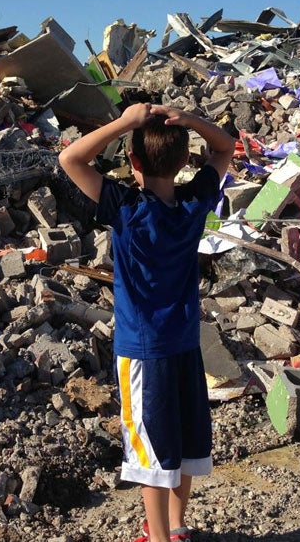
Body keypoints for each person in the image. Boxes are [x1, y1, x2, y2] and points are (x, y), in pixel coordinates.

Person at [58, 103, 235, 542]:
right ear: (183, 162)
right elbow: (225, 147)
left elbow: (69, 159)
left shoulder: (126, 207)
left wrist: (124, 122)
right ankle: (176, 529)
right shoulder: (194, 203)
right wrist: (189, 120)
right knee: (182, 444)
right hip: (184, 343)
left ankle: (158, 540)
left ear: (133, 160)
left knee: (150, 455)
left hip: (142, 349)